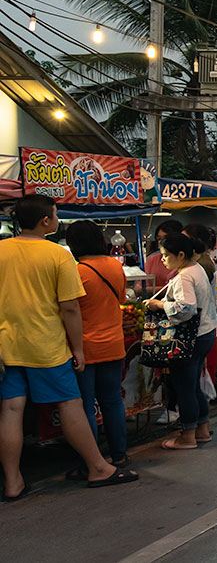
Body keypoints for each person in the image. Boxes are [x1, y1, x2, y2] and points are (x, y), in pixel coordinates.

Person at [1, 195, 138, 498]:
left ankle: (12, 482)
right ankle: (99, 468)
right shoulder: (58, 255)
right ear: (45, 221)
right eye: (55, 214)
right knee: (71, 405)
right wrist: (77, 348)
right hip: (46, 345)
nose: (57, 219)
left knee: (11, 409)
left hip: (7, 345)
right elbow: (70, 309)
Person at [147, 232, 217, 450]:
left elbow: (185, 308)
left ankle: (187, 436)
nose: (162, 260)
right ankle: (202, 429)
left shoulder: (185, 277)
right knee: (193, 384)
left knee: (185, 387)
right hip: (205, 334)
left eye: (166, 255)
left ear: (180, 254)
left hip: (190, 338)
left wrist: (159, 305)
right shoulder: (196, 268)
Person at [67, 220, 129, 468]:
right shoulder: (115, 266)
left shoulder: (77, 271)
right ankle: (120, 454)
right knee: (112, 400)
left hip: (85, 348)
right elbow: (122, 299)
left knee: (86, 406)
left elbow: (69, 309)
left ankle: (91, 463)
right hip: (114, 344)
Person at [143, 219, 184, 289]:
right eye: (159, 239)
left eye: (165, 239)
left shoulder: (184, 264)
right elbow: (139, 287)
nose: (161, 242)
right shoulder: (152, 259)